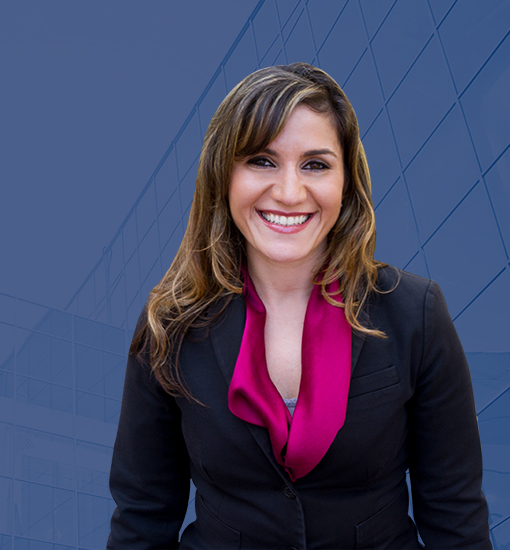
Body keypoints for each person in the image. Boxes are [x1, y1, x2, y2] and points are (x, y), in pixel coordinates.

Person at [106, 63, 490, 549]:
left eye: (315, 164)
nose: (289, 192)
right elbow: (142, 517)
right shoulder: (169, 325)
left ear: (346, 182)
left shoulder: (415, 312)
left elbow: (455, 515)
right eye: (262, 161)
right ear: (223, 176)